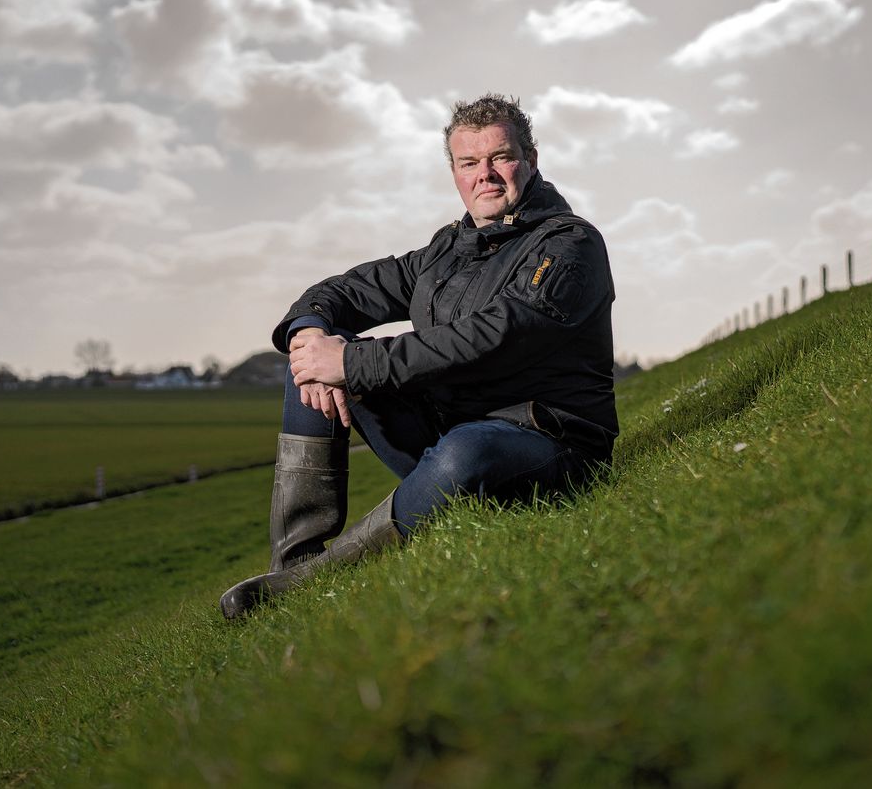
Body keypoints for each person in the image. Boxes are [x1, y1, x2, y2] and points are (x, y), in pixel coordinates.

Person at [220, 94, 617, 619]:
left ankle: (313, 581)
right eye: (468, 163)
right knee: (310, 367)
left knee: (463, 450)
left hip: (547, 442)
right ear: (453, 171)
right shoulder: (447, 249)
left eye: (501, 157)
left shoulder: (570, 245)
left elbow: (495, 336)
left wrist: (352, 363)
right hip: (449, 428)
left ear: (531, 160)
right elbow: (345, 291)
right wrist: (309, 330)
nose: (486, 176)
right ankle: (292, 562)